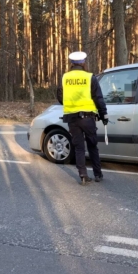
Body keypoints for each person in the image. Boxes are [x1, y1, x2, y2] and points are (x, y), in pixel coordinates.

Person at [57, 51, 108, 185]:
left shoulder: (64, 77)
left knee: (79, 148)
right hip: (88, 118)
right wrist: (104, 114)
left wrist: (70, 105)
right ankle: (98, 174)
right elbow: (98, 98)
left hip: (72, 119)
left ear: (71, 63)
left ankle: (83, 175)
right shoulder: (90, 77)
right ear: (83, 62)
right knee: (92, 146)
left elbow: (60, 96)